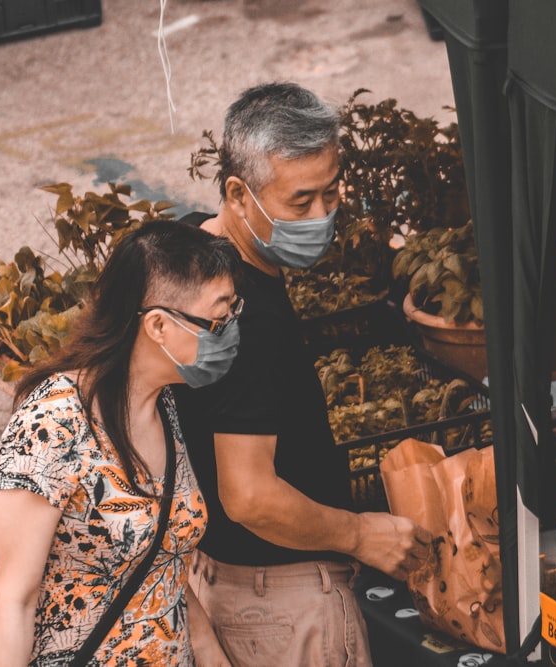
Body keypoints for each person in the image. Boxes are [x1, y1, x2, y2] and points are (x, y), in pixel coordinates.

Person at [173, 82, 433, 667]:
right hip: (282, 604)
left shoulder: (186, 248)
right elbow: (249, 495)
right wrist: (361, 535)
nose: (322, 216)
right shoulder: (245, 315)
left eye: (331, 192)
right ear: (239, 194)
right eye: (300, 202)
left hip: (221, 579)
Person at [0, 221, 242, 666]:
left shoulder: (164, 404)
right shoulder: (51, 425)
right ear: (159, 326)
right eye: (218, 318)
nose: (229, 331)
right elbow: (14, 601)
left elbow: (163, 559)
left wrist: (211, 654)